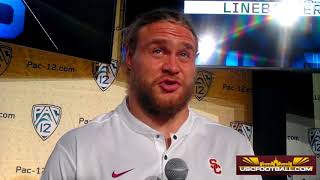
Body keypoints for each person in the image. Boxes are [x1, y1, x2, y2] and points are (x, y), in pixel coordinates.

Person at [41, 9, 261, 180]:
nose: (172, 66)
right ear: (129, 57)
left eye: (184, 54)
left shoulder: (235, 146)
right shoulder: (77, 148)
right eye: (158, 50)